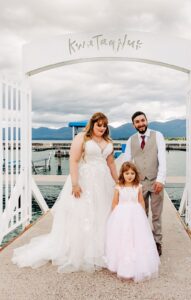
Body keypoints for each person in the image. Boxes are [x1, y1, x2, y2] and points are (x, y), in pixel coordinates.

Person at [12, 112, 118, 272]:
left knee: (102, 212)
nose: (102, 128)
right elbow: (74, 160)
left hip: (103, 181)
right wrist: (75, 184)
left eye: (104, 125)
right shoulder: (82, 138)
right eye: (99, 125)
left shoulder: (108, 141)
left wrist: (118, 182)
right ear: (93, 124)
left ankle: (99, 249)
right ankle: (79, 250)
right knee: (82, 213)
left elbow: (111, 164)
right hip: (85, 180)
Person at [104, 162, 160, 282]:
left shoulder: (138, 187)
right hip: (121, 214)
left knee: (136, 237)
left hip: (136, 215)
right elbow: (114, 202)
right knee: (123, 237)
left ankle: (136, 263)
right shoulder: (119, 187)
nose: (130, 176)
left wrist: (143, 215)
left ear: (135, 174)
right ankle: (121, 264)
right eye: (127, 173)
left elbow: (141, 201)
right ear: (122, 174)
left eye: (132, 173)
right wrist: (114, 216)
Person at [123, 111, 166, 256]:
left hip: (155, 181)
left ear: (146, 121)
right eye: (137, 122)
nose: (140, 124)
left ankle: (157, 242)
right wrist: (128, 182)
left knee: (156, 214)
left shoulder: (157, 135)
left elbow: (163, 159)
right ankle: (142, 240)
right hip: (139, 183)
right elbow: (127, 162)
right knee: (141, 213)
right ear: (133, 124)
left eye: (142, 120)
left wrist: (160, 179)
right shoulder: (131, 140)